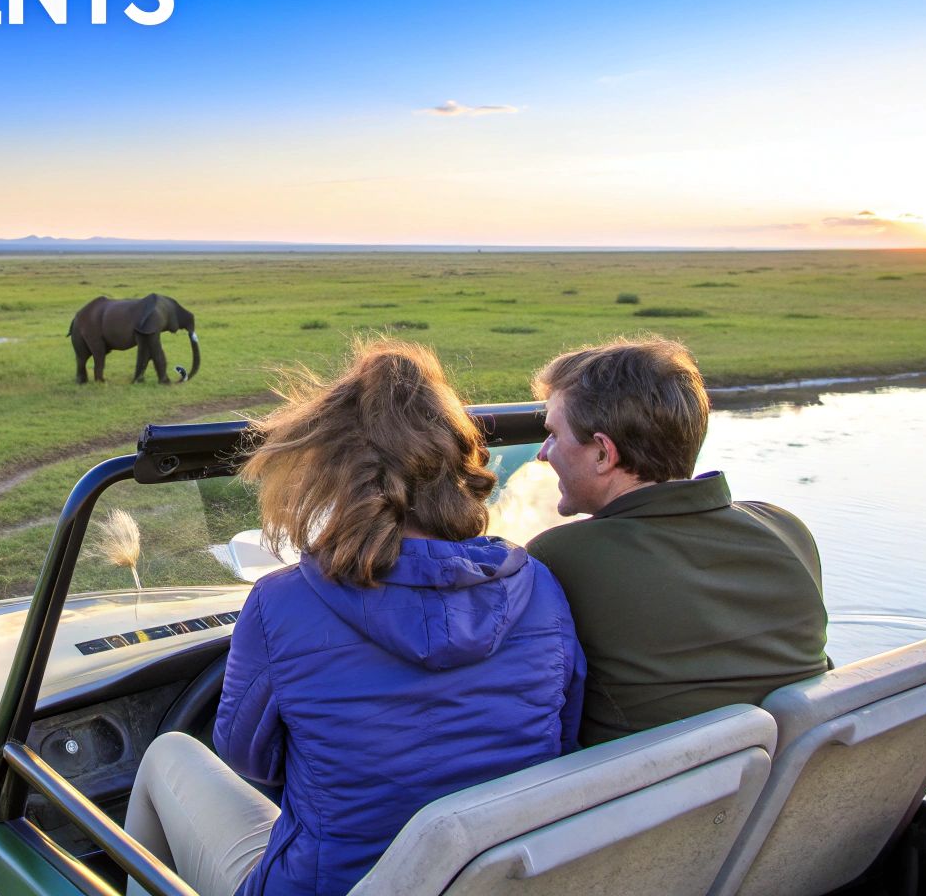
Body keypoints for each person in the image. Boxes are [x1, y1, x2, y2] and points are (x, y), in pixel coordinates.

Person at [124, 339, 585, 896]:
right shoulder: (538, 587)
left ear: (331, 477)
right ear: (458, 465)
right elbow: (560, 735)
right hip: (493, 883)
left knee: (168, 755)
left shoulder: (280, 604)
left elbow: (247, 758)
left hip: (329, 886)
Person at [527, 336, 829, 746]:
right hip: (791, 772)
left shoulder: (560, 555)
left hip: (643, 783)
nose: (543, 453)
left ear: (603, 453)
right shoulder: (785, 529)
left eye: (553, 435)